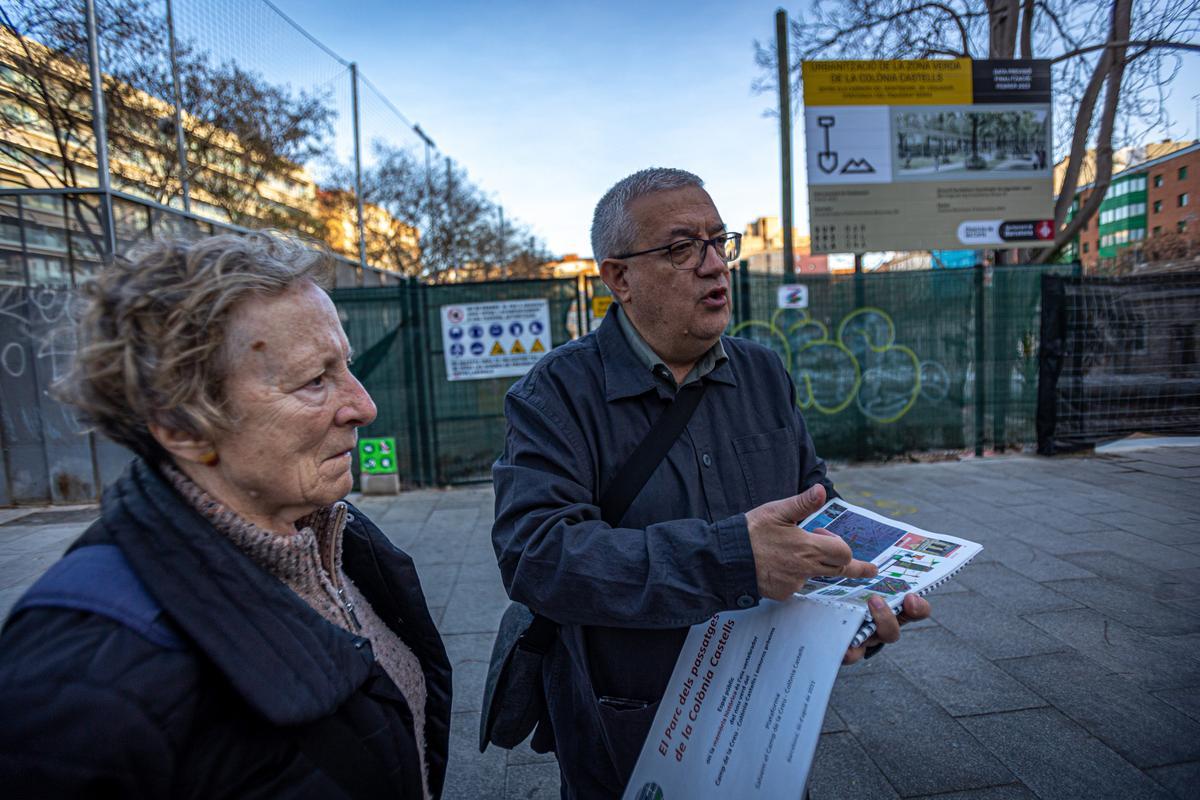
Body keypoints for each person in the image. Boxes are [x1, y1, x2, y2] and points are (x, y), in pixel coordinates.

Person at [492, 168, 931, 798]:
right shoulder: (555, 394)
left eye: (719, 241)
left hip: (771, 710)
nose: (713, 265)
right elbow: (538, 556)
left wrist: (853, 606)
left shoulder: (762, 372)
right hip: (630, 724)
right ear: (619, 278)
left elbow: (812, 510)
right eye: (680, 248)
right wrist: (732, 558)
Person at [0, 233, 451, 798]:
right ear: (183, 427)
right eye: (314, 380)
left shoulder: (333, 533)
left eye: (345, 367)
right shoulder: (84, 677)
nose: (363, 405)